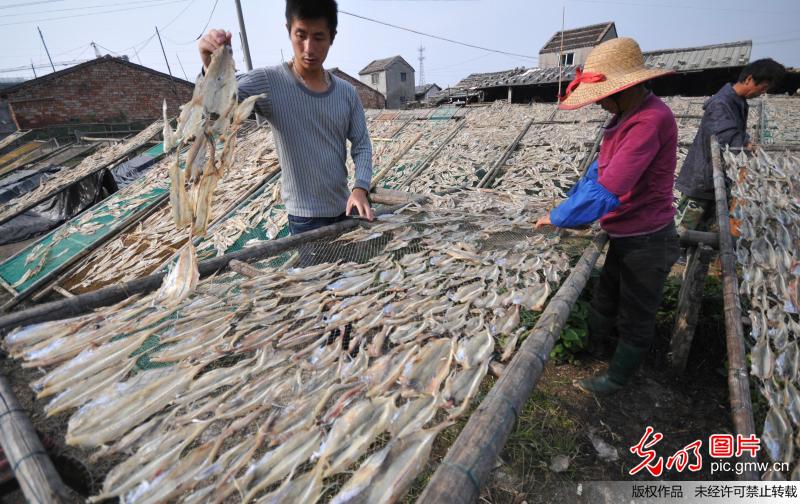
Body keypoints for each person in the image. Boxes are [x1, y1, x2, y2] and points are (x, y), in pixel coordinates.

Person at [535, 37, 680, 396]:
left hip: (648, 236)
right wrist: (567, 206)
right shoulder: (624, 116)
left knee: (636, 309)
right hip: (623, 230)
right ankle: (593, 349)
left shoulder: (650, 120)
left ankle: (617, 378)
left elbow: (610, 188)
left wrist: (559, 217)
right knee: (606, 294)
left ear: (625, 88)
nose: (598, 102)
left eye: (600, 95)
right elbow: (597, 172)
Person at [198, 0, 375, 236]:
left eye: (319, 37)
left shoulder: (346, 93)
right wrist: (211, 67)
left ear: (332, 36)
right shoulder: (269, 82)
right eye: (300, 35)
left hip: (345, 208)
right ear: (288, 31)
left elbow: (362, 144)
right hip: (305, 219)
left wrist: (360, 188)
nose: (309, 48)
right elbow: (215, 109)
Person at [675, 58, 785, 231]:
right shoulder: (722, 103)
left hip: (717, 180)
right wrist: (746, 145)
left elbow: (736, 134)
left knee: (703, 234)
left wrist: (747, 142)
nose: (762, 93)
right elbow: (727, 137)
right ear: (749, 79)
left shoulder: (737, 102)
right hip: (701, 182)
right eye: (762, 87)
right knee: (682, 234)